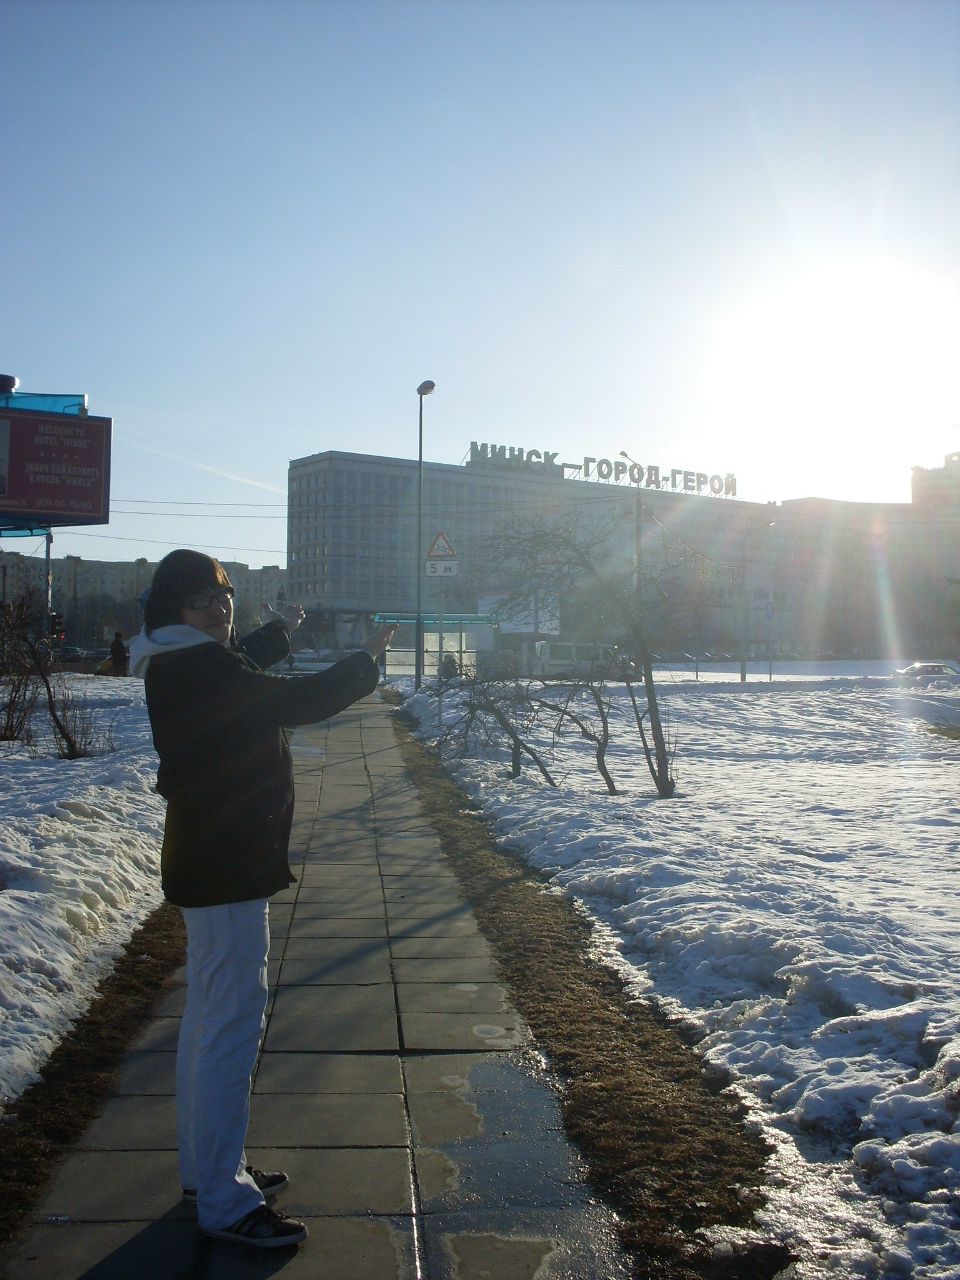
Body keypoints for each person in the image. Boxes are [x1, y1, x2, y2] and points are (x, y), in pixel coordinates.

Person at [129, 550, 394, 1250]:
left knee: (208, 1022)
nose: (218, 607)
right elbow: (289, 702)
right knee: (230, 1029)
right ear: (173, 610)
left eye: (223, 594)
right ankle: (223, 1200)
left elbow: (239, 671)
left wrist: (280, 631)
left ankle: (205, 1174)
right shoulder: (197, 665)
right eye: (201, 600)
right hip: (226, 867)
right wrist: (364, 661)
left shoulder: (183, 658)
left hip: (212, 860)